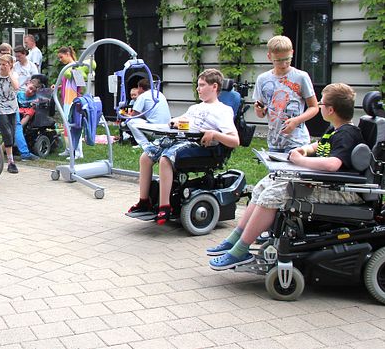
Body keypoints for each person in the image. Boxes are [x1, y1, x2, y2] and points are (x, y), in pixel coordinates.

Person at [208, 83, 365, 269]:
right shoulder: (336, 129)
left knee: (273, 194)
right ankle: (237, 237)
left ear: (330, 110)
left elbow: (333, 164)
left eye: (321, 104)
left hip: (342, 191)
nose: (319, 106)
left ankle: (241, 250)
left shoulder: (347, 134)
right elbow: (319, 146)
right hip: (325, 183)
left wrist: (300, 161)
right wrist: (304, 150)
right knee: (265, 184)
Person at [126, 69, 239, 225]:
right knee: (146, 157)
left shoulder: (223, 110)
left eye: (202, 85)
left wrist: (214, 134)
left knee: (166, 159)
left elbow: (235, 140)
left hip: (201, 145)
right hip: (180, 138)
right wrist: (175, 122)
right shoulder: (195, 108)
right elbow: (181, 119)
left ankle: (165, 207)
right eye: (198, 85)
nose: (198, 89)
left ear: (214, 87)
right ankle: (144, 201)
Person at [253, 35, 318, 152]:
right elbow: (261, 113)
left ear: (292, 53)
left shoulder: (301, 77)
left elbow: (314, 107)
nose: (283, 64)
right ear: (269, 56)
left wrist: (297, 120)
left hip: (297, 142)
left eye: (287, 59)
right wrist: (259, 110)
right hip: (274, 142)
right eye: (278, 60)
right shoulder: (262, 79)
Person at [0, 54, 20, 174]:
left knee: (11, 136)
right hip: (0, 108)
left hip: (12, 108)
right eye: (0, 64)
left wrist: (10, 73)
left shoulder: (14, 75)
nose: (2, 67)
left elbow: (16, 87)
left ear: (10, 65)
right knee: (7, 134)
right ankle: (11, 162)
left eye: (4, 64)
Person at [124, 78, 172, 149]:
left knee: (130, 121)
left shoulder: (143, 96)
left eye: (138, 87)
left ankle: (144, 144)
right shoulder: (159, 93)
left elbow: (134, 114)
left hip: (157, 129)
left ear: (140, 88)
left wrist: (125, 115)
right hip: (167, 128)